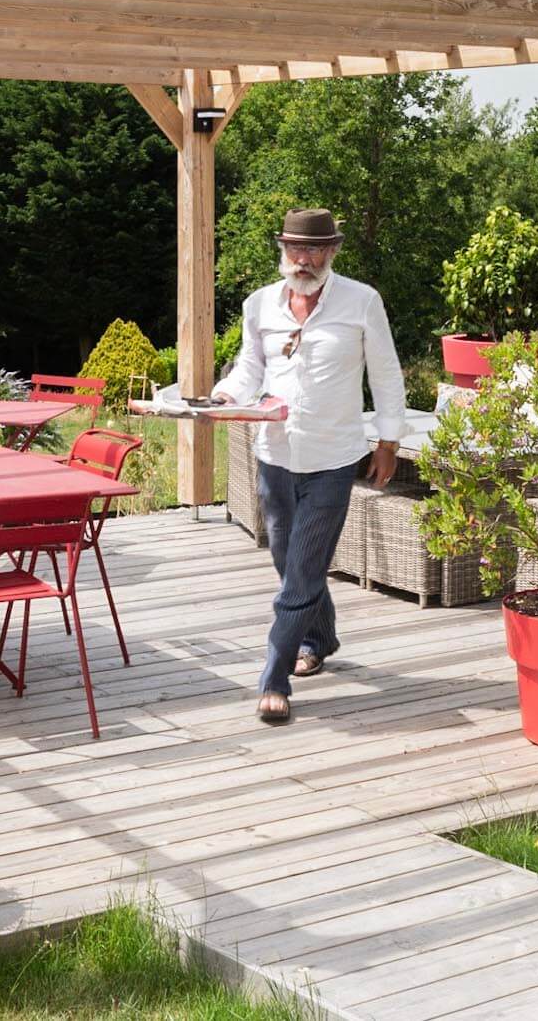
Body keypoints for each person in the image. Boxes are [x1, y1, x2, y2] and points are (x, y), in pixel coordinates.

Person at [213, 207, 407, 724]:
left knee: (301, 570)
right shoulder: (260, 305)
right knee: (286, 557)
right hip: (274, 455)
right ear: (283, 250)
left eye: (315, 250)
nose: (304, 259)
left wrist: (388, 440)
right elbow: (249, 367)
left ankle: (274, 679)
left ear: (333, 252)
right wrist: (223, 395)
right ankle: (320, 637)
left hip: (333, 458)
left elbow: (386, 374)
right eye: (296, 249)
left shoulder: (362, 302)